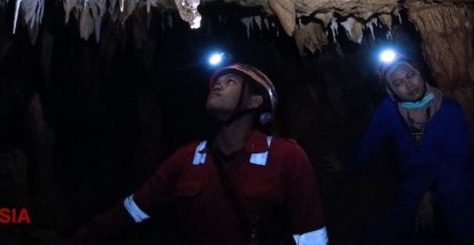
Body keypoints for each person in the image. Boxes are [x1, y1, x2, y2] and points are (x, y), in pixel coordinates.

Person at [67, 63, 328, 245]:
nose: (217, 87)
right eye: (216, 83)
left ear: (254, 101)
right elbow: (137, 207)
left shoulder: (286, 157)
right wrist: (85, 235)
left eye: (230, 82)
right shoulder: (187, 158)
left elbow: (311, 232)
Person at [324, 56, 474, 244]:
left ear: (420, 73)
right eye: (399, 83)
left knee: (459, 217)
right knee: (382, 234)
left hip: (450, 181)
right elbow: (369, 143)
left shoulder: (450, 110)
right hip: (412, 185)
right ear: (391, 91)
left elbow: (456, 159)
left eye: (411, 75)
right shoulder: (389, 111)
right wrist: (346, 166)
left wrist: (428, 194)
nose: (409, 85)